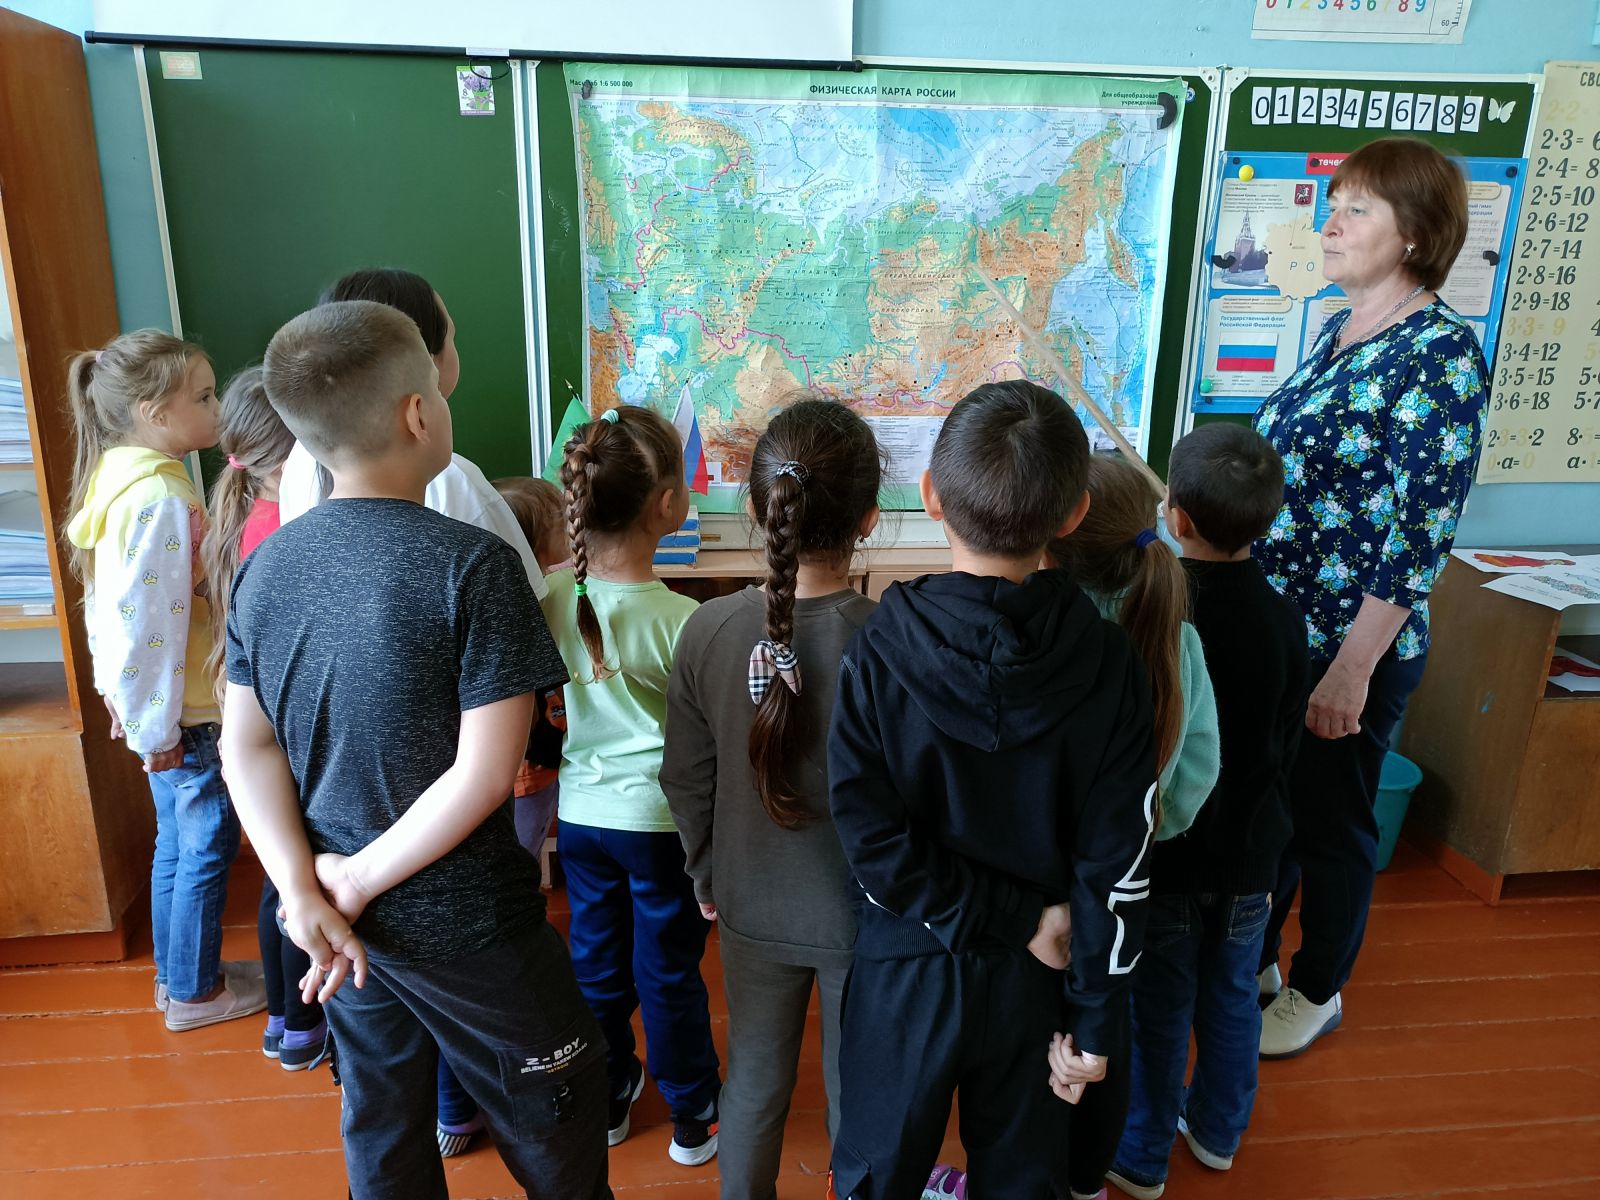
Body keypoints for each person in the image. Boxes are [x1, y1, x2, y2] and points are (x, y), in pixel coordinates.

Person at [221, 300, 610, 1200]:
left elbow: (246, 747)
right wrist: (344, 884)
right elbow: (487, 774)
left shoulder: (267, 566)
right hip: (466, 922)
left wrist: (303, 888)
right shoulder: (473, 565)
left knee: (384, 1126)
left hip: (341, 928)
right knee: (558, 1117)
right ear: (417, 414)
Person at [826, 380, 1158, 1199]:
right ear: (1074, 515)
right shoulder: (1111, 662)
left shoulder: (877, 648)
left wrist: (1013, 922)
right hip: (1042, 977)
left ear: (931, 496)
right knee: (1025, 1180)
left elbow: (874, 846)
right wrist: (1092, 1013)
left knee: (875, 1174)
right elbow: (1119, 860)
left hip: (910, 964)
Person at [1253, 137, 1489, 1058]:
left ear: (1416, 235)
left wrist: (1351, 670)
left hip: (1351, 646)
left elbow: (1420, 535)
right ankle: (1258, 962)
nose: (1332, 223)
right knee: (1273, 811)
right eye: (1334, 204)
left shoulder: (1440, 356)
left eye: (1357, 209)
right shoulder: (1338, 329)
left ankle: (1318, 988)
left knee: (1333, 826)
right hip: (1285, 629)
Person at [661, 397, 882, 1200]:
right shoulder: (889, 637)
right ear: (869, 518)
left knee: (752, 1077)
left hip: (748, 898)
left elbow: (685, 778)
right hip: (864, 913)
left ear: (755, 510)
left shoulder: (707, 629)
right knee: (861, 1086)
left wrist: (705, 873)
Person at [1107, 424, 1310, 1200]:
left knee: (1158, 1011)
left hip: (1171, 862)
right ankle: (1220, 1132)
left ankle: (1142, 1156)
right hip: (1254, 857)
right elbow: (1284, 741)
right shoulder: (1286, 617)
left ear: (1177, 517)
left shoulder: (1153, 612)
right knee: (1233, 996)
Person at [64, 330, 266, 1032]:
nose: (217, 409)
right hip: (187, 713)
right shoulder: (157, 496)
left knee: (177, 844)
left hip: (158, 709)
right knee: (206, 844)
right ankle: (195, 995)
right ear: (154, 413)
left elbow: (108, 612)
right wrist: (155, 728)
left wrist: (121, 700)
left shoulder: (117, 479)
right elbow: (152, 624)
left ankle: (180, 977)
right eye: (204, 398)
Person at [543, 404, 723, 1166]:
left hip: (581, 820)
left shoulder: (553, 599)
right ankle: (692, 1114)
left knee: (595, 962)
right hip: (660, 826)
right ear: (669, 506)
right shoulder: (684, 619)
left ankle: (611, 1096)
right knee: (669, 970)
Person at [1047, 451, 1222, 1200]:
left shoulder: (1050, 630)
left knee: (1038, 1034)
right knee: (1102, 1028)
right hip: (1127, 882)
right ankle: (1089, 1180)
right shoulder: (1176, 635)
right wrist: (1149, 831)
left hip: (1040, 884)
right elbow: (1195, 772)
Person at [276, 266, 547, 600]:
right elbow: (525, 609)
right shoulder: (453, 479)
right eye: (451, 337)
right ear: (425, 359)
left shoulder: (301, 458)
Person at [199, 365, 327, 1068]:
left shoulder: (243, 517)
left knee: (280, 874)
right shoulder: (291, 529)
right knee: (297, 877)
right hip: (287, 724)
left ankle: (284, 1020)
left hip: (255, 714)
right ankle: (302, 1024)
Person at [494, 476, 571, 872]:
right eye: (562, 520)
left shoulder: (532, 592)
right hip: (530, 766)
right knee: (520, 858)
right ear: (537, 539)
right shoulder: (536, 600)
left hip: (534, 760)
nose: (570, 526)